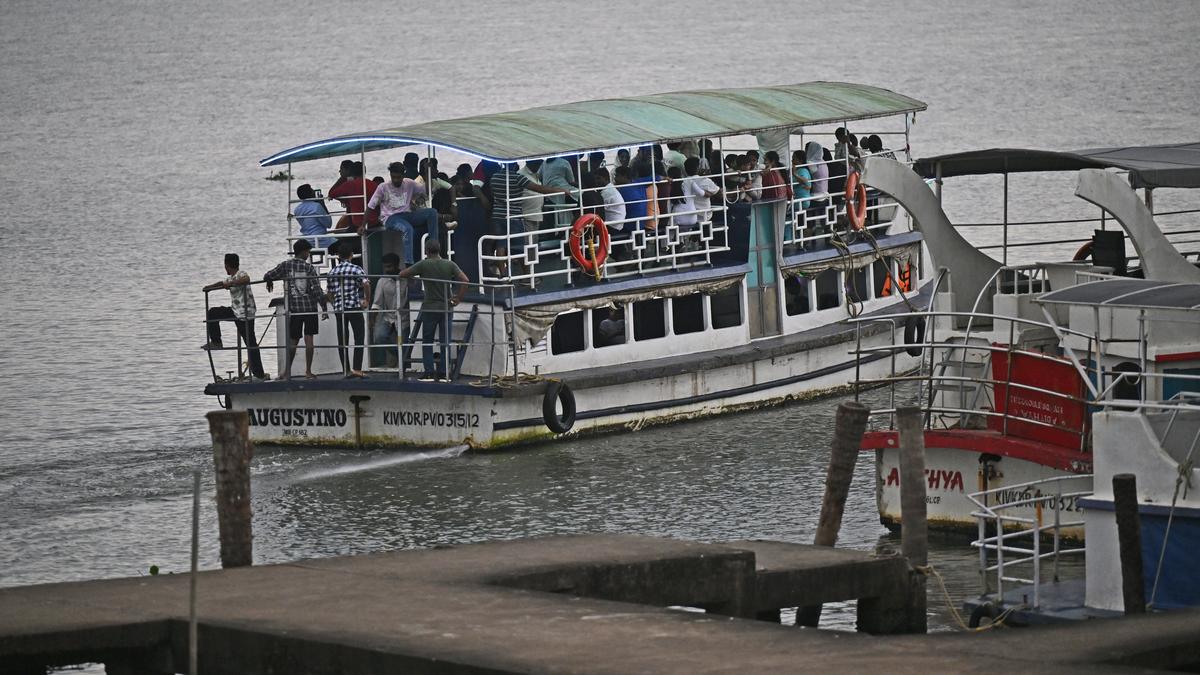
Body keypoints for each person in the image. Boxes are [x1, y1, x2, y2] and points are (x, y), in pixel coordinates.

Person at [397, 240, 469, 379]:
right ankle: (443, 372)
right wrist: (458, 298)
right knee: (445, 341)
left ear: (427, 251)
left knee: (427, 340)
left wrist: (414, 276)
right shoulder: (449, 264)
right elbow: (465, 280)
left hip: (430, 308)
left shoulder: (424, 264)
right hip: (446, 307)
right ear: (439, 250)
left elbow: (402, 274)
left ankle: (429, 371)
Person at [490, 162, 572, 277]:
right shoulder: (518, 178)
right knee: (520, 247)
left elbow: (494, 194)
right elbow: (540, 189)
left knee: (500, 245)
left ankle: (503, 275)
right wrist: (561, 190)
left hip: (497, 215)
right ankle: (527, 276)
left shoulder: (494, 177)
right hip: (514, 216)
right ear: (514, 166)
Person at [264, 239, 328, 380]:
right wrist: (323, 306)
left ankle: (287, 372)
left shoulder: (286, 265)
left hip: (295, 310)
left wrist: (269, 281)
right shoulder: (309, 268)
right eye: (308, 252)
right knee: (309, 340)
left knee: (293, 341)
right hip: (310, 309)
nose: (308, 255)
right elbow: (317, 290)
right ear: (304, 251)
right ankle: (308, 371)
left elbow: (269, 275)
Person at [203, 253, 268, 381]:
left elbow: (246, 279)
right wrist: (209, 288)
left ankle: (259, 373)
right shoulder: (231, 278)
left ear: (227, 266)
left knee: (250, 342)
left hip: (245, 313)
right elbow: (222, 283)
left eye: (225, 266)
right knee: (212, 313)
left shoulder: (240, 274)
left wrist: (232, 283)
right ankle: (216, 341)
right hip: (235, 311)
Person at [366, 161, 440, 265]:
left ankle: (433, 250)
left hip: (407, 214)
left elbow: (426, 191)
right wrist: (362, 224)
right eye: (393, 177)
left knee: (432, 212)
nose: (396, 180)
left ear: (403, 175)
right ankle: (409, 263)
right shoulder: (383, 187)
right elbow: (370, 206)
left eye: (398, 177)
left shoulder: (409, 183)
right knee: (407, 228)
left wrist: (428, 173)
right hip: (390, 218)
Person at [326, 243, 370, 378]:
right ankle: (357, 369)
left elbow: (330, 293)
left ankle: (346, 369)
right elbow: (366, 284)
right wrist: (367, 300)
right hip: (354, 307)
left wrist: (335, 305)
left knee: (342, 340)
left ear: (338, 256)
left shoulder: (332, 272)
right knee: (359, 337)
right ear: (351, 255)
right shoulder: (356, 268)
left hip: (340, 309)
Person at [370, 253, 406, 368]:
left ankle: (403, 359)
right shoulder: (382, 281)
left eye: (389, 266)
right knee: (379, 337)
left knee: (406, 343)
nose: (387, 270)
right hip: (388, 317)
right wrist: (373, 320)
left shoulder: (406, 280)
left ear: (396, 265)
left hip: (405, 317)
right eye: (385, 267)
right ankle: (401, 356)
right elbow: (377, 303)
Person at [327, 161, 377, 235]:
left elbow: (331, 193)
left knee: (338, 245)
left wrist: (343, 177)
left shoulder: (350, 185)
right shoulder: (373, 185)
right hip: (374, 222)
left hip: (358, 224)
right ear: (364, 171)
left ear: (351, 172)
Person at [292, 184, 334, 249]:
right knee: (342, 245)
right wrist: (322, 204)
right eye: (312, 190)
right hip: (321, 240)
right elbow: (329, 224)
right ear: (310, 193)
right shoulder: (317, 206)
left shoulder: (297, 209)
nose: (314, 191)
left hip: (306, 240)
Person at [681, 157, 719, 223]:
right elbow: (718, 192)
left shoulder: (683, 181)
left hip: (689, 214)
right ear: (698, 168)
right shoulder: (705, 180)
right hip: (705, 215)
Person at [518, 160, 545, 238]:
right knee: (528, 244)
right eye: (537, 163)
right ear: (528, 162)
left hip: (536, 215)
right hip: (526, 216)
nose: (538, 165)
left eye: (540, 163)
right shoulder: (521, 174)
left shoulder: (535, 174)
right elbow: (540, 189)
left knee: (533, 243)